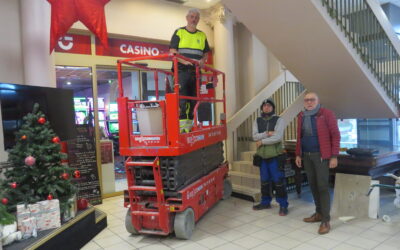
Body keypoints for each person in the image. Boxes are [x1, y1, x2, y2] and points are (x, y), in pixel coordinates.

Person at [295, 92, 340, 235]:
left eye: (312, 100)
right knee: (313, 186)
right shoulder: (301, 116)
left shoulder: (326, 114)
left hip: (321, 156)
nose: (309, 102)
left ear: (317, 101)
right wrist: (298, 154)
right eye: (307, 100)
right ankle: (319, 213)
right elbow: (299, 137)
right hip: (306, 156)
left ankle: (325, 220)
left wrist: (334, 156)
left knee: (322, 187)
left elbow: (335, 135)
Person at [169, 8, 210, 132]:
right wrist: (185, 61)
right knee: (183, 100)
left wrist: (203, 61)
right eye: (191, 17)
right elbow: (173, 52)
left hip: (196, 72)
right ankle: (182, 130)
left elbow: (206, 53)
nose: (194, 19)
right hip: (182, 70)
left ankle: (189, 127)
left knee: (194, 100)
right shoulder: (179, 32)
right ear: (187, 18)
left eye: (196, 17)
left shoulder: (202, 35)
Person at [252, 98, 289, 216]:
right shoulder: (257, 121)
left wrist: (262, 142)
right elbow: (254, 137)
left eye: (269, 105)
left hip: (275, 156)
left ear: (273, 107)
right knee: (264, 182)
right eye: (264, 106)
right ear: (262, 108)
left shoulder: (279, 120)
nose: (266, 107)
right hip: (262, 157)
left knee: (279, 181)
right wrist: (267, 133)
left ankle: (283, 205)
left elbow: (277, 137)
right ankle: (265, 202)